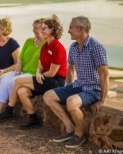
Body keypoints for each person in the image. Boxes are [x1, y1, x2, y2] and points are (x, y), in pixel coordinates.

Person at [43, 16, 109, 148]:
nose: (68, 31)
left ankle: (79, 135)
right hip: (78, 85)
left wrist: (102, 100)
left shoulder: (96, 47)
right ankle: (69, 129)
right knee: (48, 96)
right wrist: (67, 88)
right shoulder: (73, 47)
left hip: (93, 89)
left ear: (81, 29)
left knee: (71, 102)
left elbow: (104, 74)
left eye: (71, 28)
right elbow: (70, 69)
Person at [0, 14, 67, 129]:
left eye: (44, 28)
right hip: (43, 78)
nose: (41, 30)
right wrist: (38, 73)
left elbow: (52, 73)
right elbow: (40, 66)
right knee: (22, 92)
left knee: (18, 82)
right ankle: (33, 119)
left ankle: (9, 110)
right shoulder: (45, 46)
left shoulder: (58, 47)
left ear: (52, 30)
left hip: (55, 81)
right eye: (41, 28)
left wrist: (39, 74)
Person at [0, 18, 46, 123]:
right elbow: (20, 60)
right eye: (33, 27)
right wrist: (16, 73)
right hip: (22, 72)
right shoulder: (29, 41)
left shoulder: (45, 44)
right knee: (4, 81)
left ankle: (8, 111)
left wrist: (12, 74)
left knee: (11, 82)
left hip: (33, 74)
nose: (34, 30)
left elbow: (43, 64)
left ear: (43, 29)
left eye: (37, 28)